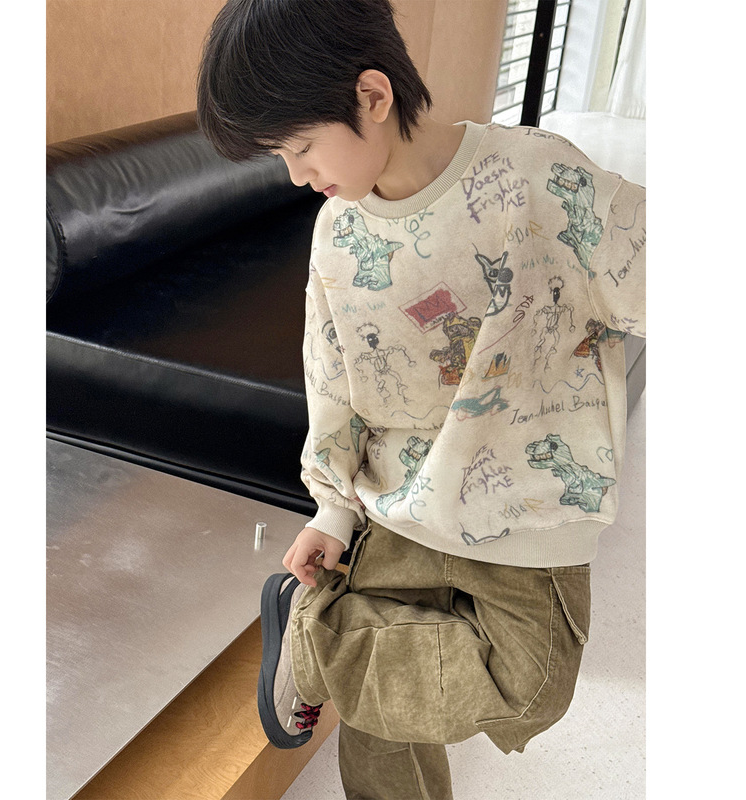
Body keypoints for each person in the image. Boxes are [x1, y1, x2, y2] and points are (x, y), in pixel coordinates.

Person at [197, 1, 646, 797]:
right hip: (396, 506)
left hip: (527, 511)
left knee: (531, 687)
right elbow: (333, 385)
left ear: (373, 96)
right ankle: (326, 637)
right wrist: (333, 512)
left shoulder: (541, 178)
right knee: (384, 733)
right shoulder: (339, 236)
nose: (296, 176)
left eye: (300, 147)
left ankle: (315, 637)